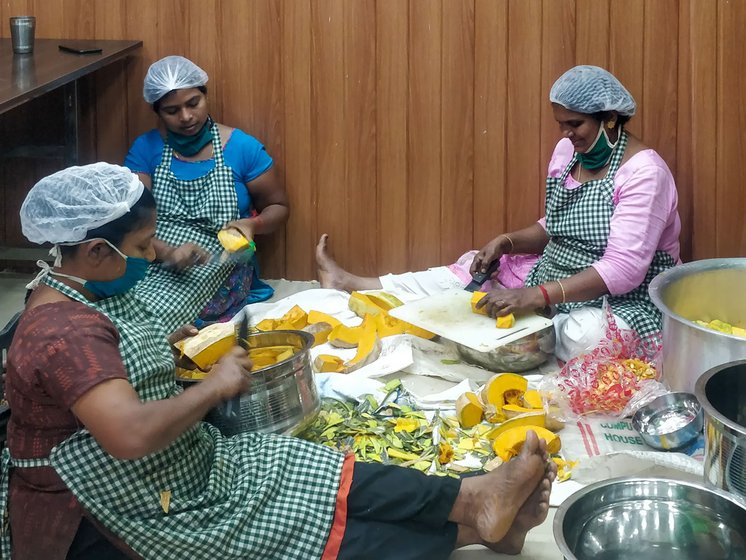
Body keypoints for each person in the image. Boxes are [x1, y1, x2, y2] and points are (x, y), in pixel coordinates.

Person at [3, 163, 555, 560]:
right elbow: (126, 434)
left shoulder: (86, 289)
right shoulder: (60, 331)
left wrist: (171, 343)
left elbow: (113, 359)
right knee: (289, 530)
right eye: (146, 246)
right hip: (110, 503)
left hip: (171, 463)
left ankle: (472, 498)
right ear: (97, 251)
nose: (153, 256)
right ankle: (476, 529)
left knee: (303, 467)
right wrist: (213, 387)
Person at [317, 65, 681, 362]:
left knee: (586, 337)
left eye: (576, 125)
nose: (567, 134)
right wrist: (506, 242)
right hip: (554, 274)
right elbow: (556, 224)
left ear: (611, 119)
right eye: (561, 124)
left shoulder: (645, 173)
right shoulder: (567, 152)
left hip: (621, 298)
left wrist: (536, 296)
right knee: (469, 273)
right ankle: (354, 283)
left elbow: (624, 270)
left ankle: (529, 334)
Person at [125, 55, 289, 327]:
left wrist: (252, 223)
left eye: (193, 103)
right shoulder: (146, 149)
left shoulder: (242, 148)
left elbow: (279, 207)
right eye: (172, 110)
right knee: (113, 303)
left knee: (156, 314)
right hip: (150, 250)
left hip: (217, 260)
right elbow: (130, 218)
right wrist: (167, 252)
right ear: (157, 112)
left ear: (205, 95)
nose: (186, 117)